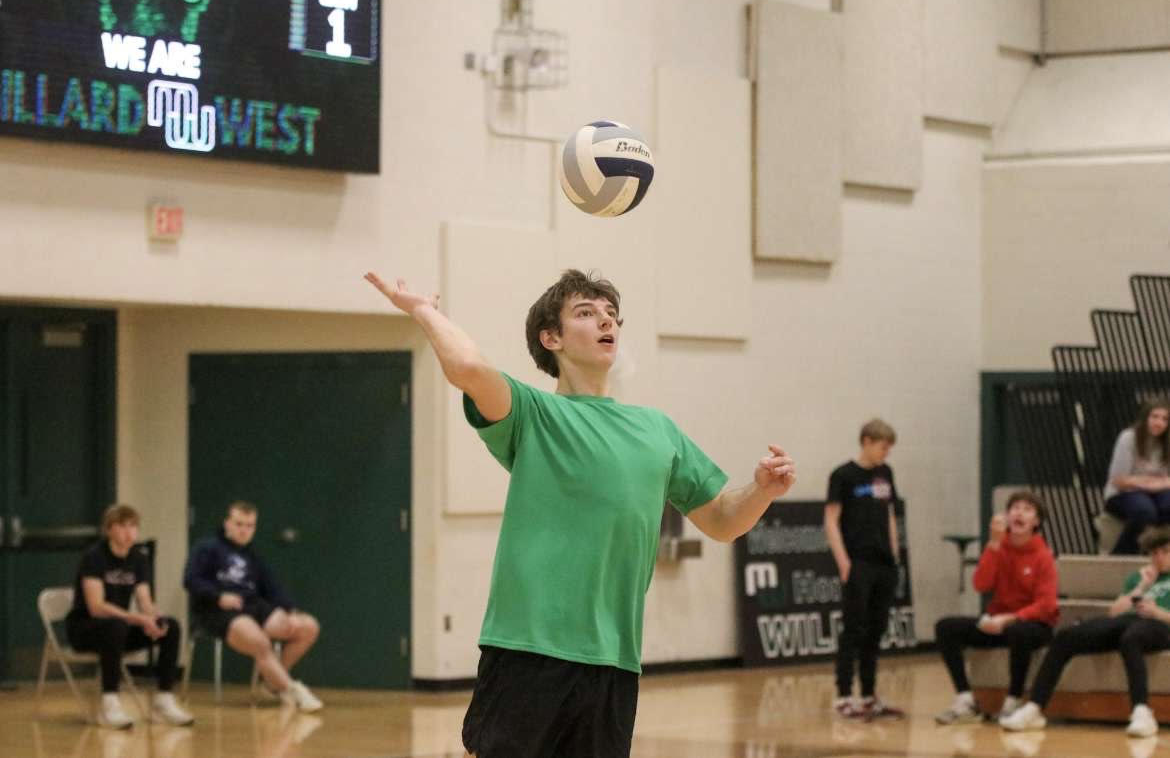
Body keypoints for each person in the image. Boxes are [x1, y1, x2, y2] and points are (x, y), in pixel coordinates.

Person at [364, 269, 796, 758]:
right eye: (586, 313)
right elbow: (466, 367)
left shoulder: (657, 429)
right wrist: (424, 310)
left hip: (615, 658)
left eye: (611, 314)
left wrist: (761, 490)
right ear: (552, 338)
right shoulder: (533, 414)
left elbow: (722, 520)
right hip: (529, 649)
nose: (605, 321)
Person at [1001, 525, 1170, 738]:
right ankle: (1034, 707)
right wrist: (1142, 587)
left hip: (1160, 625)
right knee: (1065, 637)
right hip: (1127, 620)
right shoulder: (1140, 577)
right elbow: (1114, 612)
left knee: (1132, 638)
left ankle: (1142, 712)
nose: (1159, 558)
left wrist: (1156, 612)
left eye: (1166, 552)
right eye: (1154, 553)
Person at [183, 501, 323, 712]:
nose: (244, 530)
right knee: (259, 642)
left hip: (252, 605)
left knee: (307, 626)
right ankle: (293, 690)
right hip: (217, 610)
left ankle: (273, 684)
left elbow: (272, 587)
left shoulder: (252, 555)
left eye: (250, 525)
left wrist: (290, 611)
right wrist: (218, 596)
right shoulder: (207, 548)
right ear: (227, 523)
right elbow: (191, 580)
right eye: (239, 524)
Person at [933, 491, 1058, 725]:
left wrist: (1010, 618)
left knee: (1018, 631)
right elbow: (981, 584)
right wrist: (992, 544)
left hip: (1034, 625)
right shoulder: (999, 548)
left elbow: (1046, 605)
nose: (1019, 512)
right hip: (999, 621)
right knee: (946, 627)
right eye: (1015, 508)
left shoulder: (1043, 555)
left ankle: (1013, 700)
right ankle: (965, 698)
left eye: (1027, 509)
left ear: (1036, 522)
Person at [65, 504, 194, 729]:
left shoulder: (138, 558)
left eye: (133, 526)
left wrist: (153, 618)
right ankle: (110, 703)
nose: (129, 532)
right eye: (123, 526)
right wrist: (137, 619)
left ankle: (164, 699)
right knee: (115, 626)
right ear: (109, 529)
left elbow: (144, 599)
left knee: (170, 627)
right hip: (85, 628)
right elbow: (96, 607)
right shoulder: (94, 557)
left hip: (119, 628)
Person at [824, 419, 904, 719]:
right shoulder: (843, 475)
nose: (886, 453)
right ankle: (844, 695)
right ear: (867, 441)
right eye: (883, 446)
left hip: (884, 563)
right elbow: (831, 519)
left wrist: (895, 555)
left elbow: (890, 516)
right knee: (854, 629)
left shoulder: (886, 473)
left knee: (876, 630)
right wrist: (844, 562)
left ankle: (869, 695)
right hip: (859, 562)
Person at [1104, 399, 1170, 555]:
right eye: (1155, 416)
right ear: (1146, 417)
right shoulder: (1128, 438)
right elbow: (1119, 480)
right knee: (1145, 512)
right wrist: (1154, 483)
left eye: (1165, 419)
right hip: (1122, 494)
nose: (1159, 422)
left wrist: (1144, 481)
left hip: (1156, 494)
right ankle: (1119, 557)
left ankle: (1158, 555)